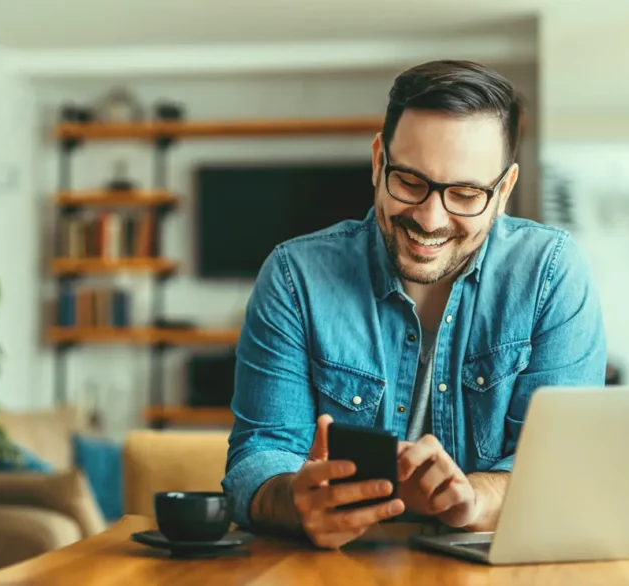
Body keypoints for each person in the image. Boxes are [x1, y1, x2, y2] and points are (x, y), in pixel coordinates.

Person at [221, 60, 607, 549]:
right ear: (378, 161)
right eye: (409, 181)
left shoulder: (551, 274)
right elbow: (258, 457)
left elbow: (562, 469)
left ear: (503, 190)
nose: (429, 219)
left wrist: (473, 499)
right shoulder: (294, 276)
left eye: (465, 193)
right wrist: (293, 500)